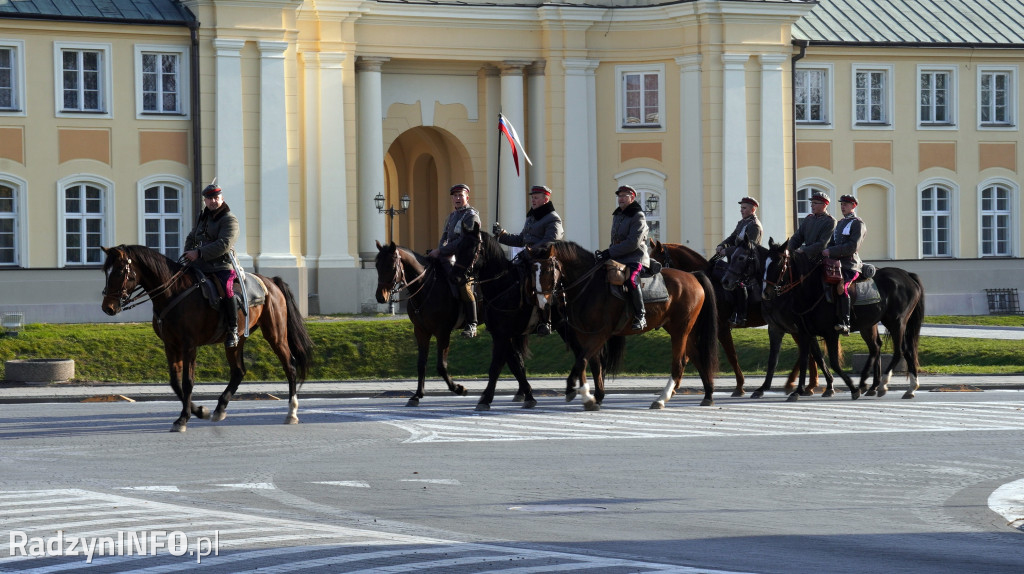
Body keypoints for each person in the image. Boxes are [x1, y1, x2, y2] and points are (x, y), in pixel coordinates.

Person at [493, 185, 564, 336]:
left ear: (546, 199)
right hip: (527, 258)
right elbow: (521, 239)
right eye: (532, 197)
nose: (533, 199)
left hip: (543, 261)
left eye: (536, 197)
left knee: (540, 286)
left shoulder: (552, 217)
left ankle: (546, 321)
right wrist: (502, 235)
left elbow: (552, 239)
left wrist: (532, 249)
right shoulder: (531, 217)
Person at [184, 182, 241, 347]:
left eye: (216, 197)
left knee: (227, 290)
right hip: (200, 265)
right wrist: (188, 253)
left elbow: (224, 243)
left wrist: (199, 253)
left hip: (221, 266)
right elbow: (192, 236)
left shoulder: (229, 219)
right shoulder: (204, 217)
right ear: (205, 201)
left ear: (222, 198)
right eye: (209, 199)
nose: (213, 201)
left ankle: (233, 329)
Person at [428, 183, 482, 338]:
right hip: (448, 255)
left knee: (464, 286)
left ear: (467, 197)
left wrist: (441, 251)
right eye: (455, 195)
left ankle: (472, 323)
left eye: (461, 195)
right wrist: (438, 251)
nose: (457, 198)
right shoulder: (451, 217)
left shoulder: (471, 215)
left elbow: (464, 241)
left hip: (466, 258)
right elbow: (444, 237)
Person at [597, 185, 649, 331]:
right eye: (619, 196)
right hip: (618, 256)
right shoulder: (618, 215)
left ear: (632, 198)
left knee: (631, 280)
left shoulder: (638, 215)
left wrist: (610, 252)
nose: (621, 198)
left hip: (635, 257)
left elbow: (633, 243)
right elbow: (615, 240)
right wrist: (606, 254)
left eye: (624, 195)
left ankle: (641, 315)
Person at [716, 196, 763, 327]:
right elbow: (732, 238)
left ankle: (740, 314)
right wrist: (722, 245)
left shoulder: (755, 226)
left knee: (739, 283)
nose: (741, 210)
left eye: (744, 208)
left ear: (753, 209)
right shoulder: (742, 223)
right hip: (736, 261)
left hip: (748, 263)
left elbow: (749, 247)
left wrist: (728, 251)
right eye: (741, 208)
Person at [822, 194, 865, 335]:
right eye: (841, 204)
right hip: (835, 264)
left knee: (843, 287)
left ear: (854, 206)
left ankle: (845, 323)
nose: (842, 207)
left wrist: (831, 251)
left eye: (846, 204)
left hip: (850, 265)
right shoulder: (840, 223)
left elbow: (852, 246)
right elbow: (832, 243)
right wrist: (825, 250)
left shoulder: (858, 223)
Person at [788, 191, 836, 260]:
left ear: (824, 205)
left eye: (815, 203)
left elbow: (822, 244)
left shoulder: (830, 221)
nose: (811, 205)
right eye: (812, 202)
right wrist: (787, 248)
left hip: (821, 260)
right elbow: (797, 238)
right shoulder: (808, 219)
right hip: (806, 258)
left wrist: (803, 250)